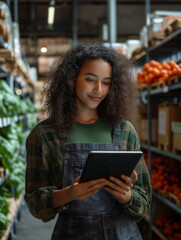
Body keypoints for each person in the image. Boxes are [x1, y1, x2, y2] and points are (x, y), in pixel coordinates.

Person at [25, 43, 152, 240]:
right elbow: (35, 203)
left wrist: (126, 196)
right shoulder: (45, 135)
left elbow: (144, 201)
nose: (98, 89)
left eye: (106, 82)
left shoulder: (125, 131)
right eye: (90, 79)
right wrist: (69, 194)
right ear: (71, 79)